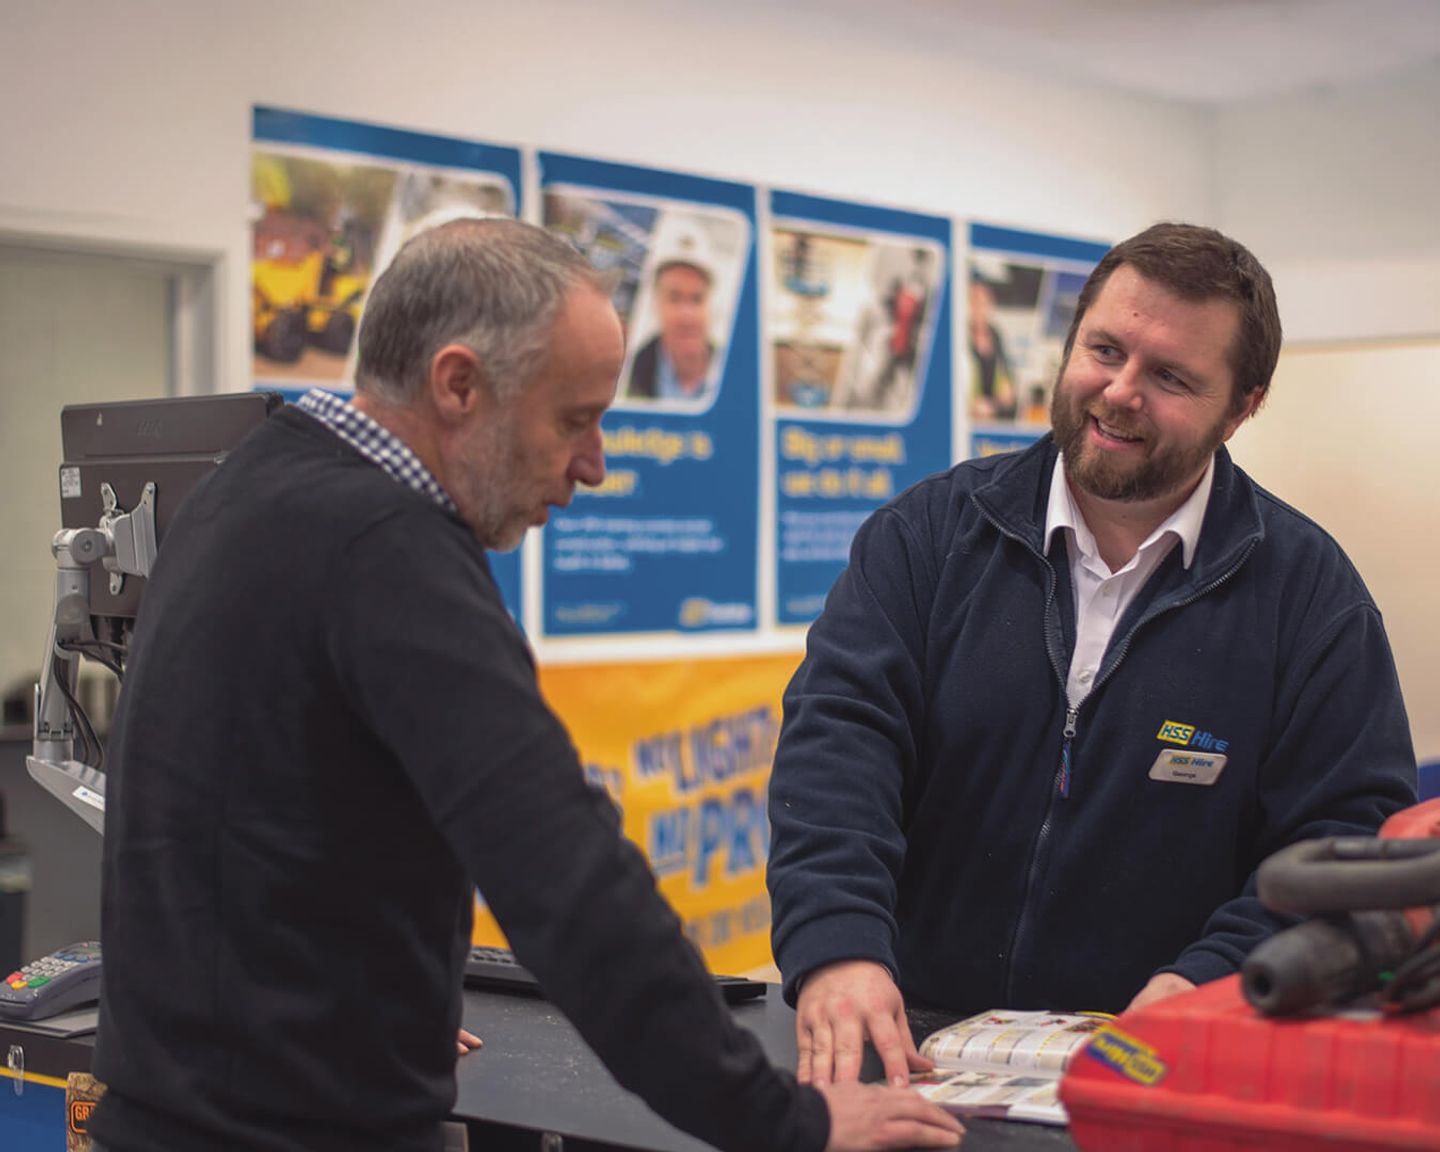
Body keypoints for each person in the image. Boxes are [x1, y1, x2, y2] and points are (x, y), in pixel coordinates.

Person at [88, 219, 963, 1152]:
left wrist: (378, 1002)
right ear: (459, 385)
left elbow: (259, 830)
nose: (594, 464)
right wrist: (787, 1121)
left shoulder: (248, 487)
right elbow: (568, 882)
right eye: (574, 420)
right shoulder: (389, 551)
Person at [766, 222, 1417, 1088]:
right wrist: (837, 944)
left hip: (1166, 1068)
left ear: (1242, 406)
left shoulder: (1310, 599)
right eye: (1104, 350)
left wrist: (1212, 980)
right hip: (907, 1050)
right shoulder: (926, 538)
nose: (1120, 392)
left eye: (1171, 377)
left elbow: (1345, 843)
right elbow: (837, 749)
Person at [628, 223, 717, 403]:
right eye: (674, 298)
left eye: (697, 299)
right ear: (656, 304)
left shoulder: (737, 371)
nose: (686, 315)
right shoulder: (628, 379)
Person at [967, 271, 1018, 421]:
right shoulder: (962, 336)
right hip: (969, 410)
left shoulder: (995, 334)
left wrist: (1008, 386)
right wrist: (971, 404)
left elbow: (1006, 370)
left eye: (984, 303)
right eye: (975, 302)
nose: (979, 309)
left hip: (993, 409)